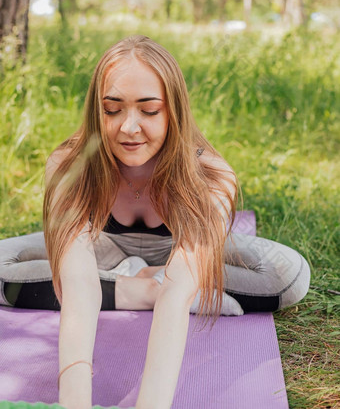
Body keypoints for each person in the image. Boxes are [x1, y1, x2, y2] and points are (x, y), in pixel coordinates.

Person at [0, 35, 311, 409]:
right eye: (112, 110)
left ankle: (146, 282)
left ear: (173, 111)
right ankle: (140, 288)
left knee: (289, 275)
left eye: (149, 111)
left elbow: (178, 295)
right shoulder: (70, 165)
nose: (129, 127)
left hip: (180, 256)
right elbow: (79, 285)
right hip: (104, 247)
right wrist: (74, 400)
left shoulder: (211, 175)